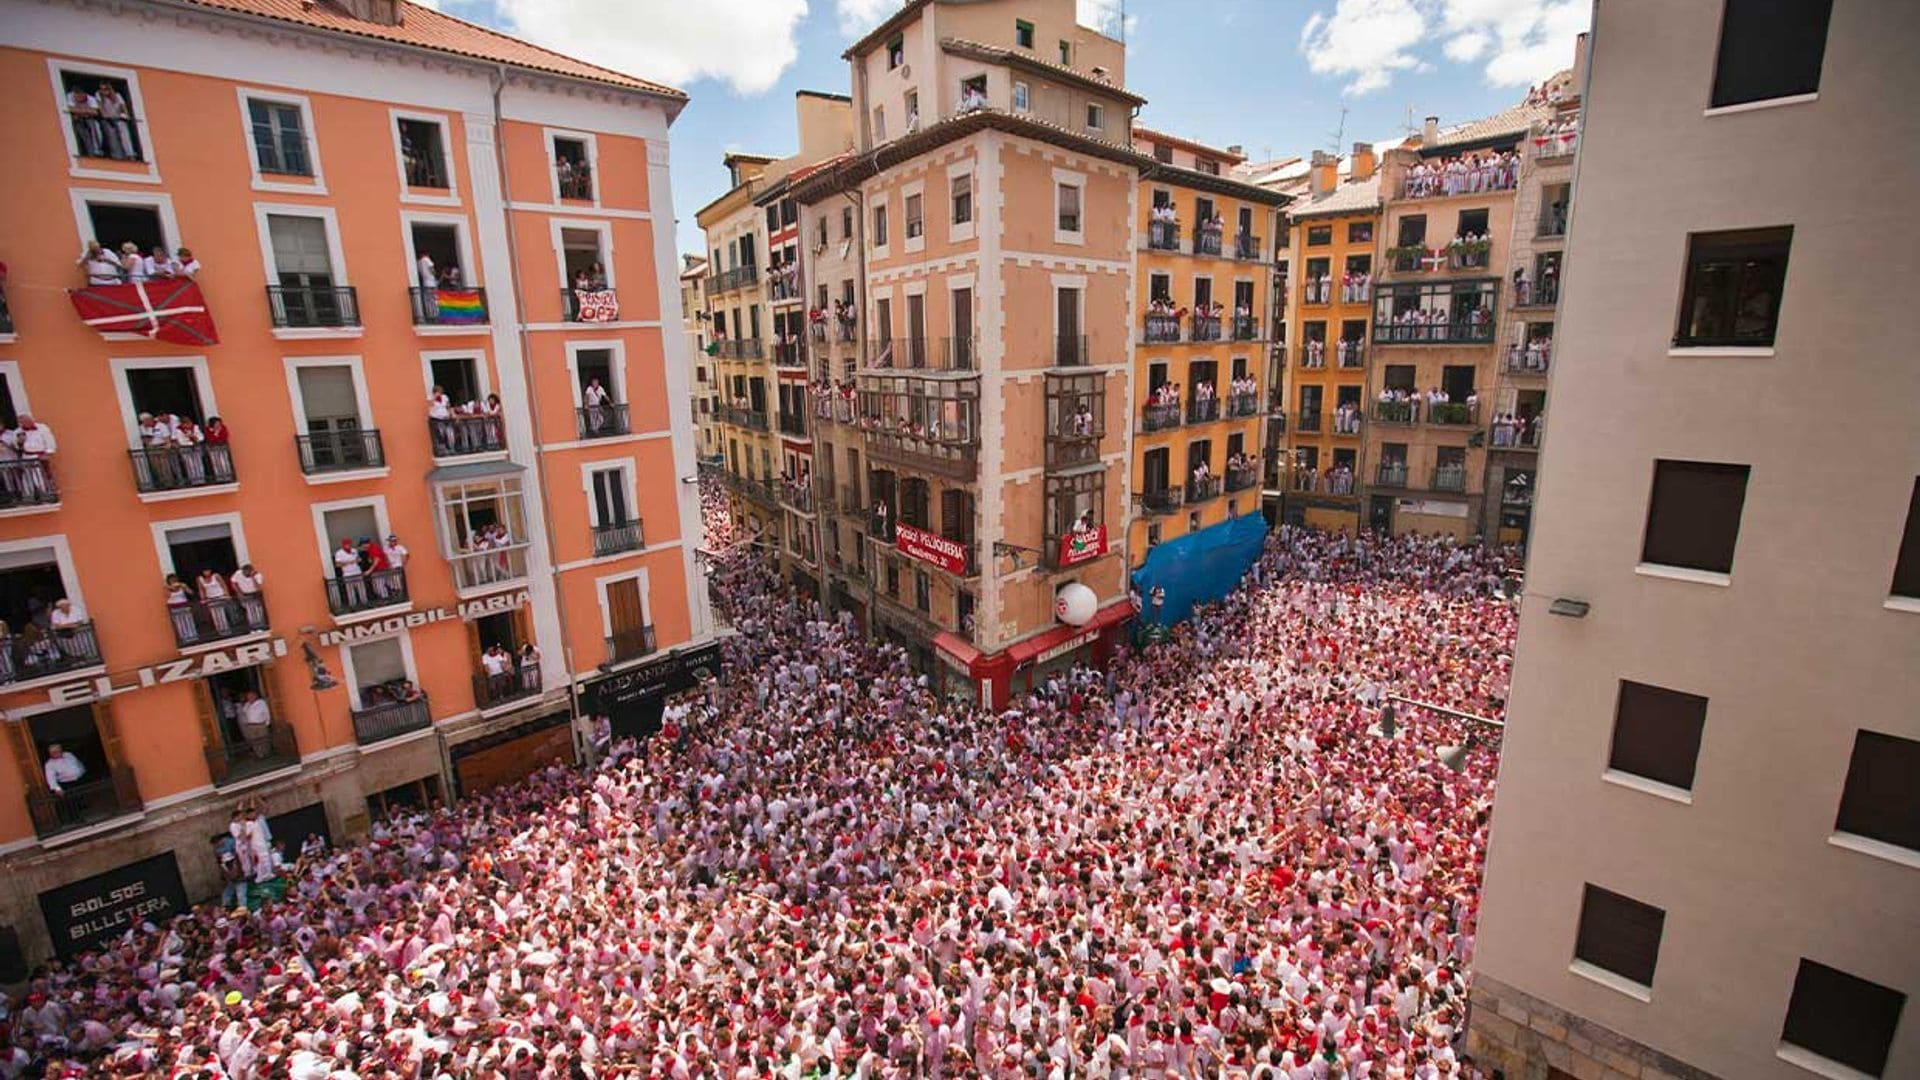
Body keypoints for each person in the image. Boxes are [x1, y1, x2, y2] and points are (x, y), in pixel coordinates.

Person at [235, 690, 272, 759]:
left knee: (263, 739)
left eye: (251, 696)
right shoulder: (247, 704)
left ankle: (266, 754)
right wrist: (247, 704)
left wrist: (267, 723)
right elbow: (244, 712)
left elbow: (267, 713)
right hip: (251, 726)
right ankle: (259, 755)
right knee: (254, 741)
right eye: (248, 697)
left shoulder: (261, 702)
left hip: (260, 724)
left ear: (255, 696)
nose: (249, 698)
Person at [333, 537, 367, 609]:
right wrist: (348, 562)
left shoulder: (354, 550)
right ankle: (353, 606)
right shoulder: (339, 553)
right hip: (347, 574)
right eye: (346, 544)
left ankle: (365, 603)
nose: (348, 545)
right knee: (350, 591)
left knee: (361, 589)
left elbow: (358, 558)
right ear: (343, 545)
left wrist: (358, 560)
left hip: (357, 572)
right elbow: (337, 564)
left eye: (349, 544)